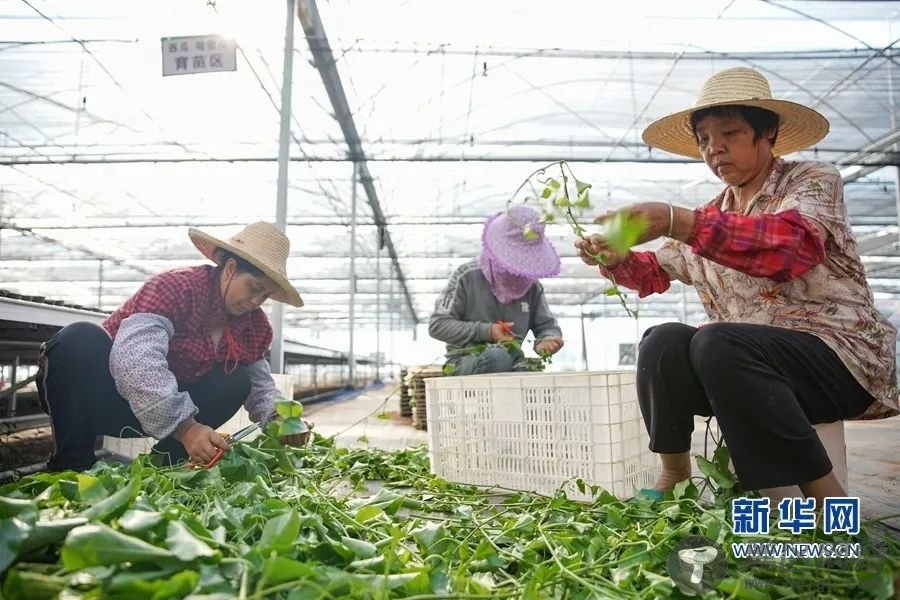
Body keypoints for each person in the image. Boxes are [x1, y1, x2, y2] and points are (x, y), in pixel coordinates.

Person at [575, 67, 898, 503]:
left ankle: (826, 501)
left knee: (719, 341)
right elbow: (654, 272)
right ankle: (674, 476)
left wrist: (677, 220)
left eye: (730, 133)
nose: (715, 149)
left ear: (767, 133)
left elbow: (788, 248)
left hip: (838, 361)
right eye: (705, 140)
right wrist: (617, 260)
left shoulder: (811, 181)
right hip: (742, 372)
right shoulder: (713, 211)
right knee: (662, 341)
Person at [36, 221, 306, 471]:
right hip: (105, 399)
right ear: (231, 268)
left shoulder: (254, 326)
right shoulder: (177, 287)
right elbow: (136, 360)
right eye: (253, 287)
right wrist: (187, 428)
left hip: (161, 416)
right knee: (78, 338)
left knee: (238, 380)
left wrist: (281, 420)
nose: (256, 301)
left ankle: (163, 466)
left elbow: (260, 385)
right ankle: (71, 465)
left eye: (265, 295)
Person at [430, 205, 565, 374]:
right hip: (466, 361)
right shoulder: (466, 277)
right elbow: (438, 325)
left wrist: (546, 340)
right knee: (497, 358)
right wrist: (487, 331)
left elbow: (546, 325)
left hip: (514, 361)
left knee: (529, 370)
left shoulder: (532, 286)